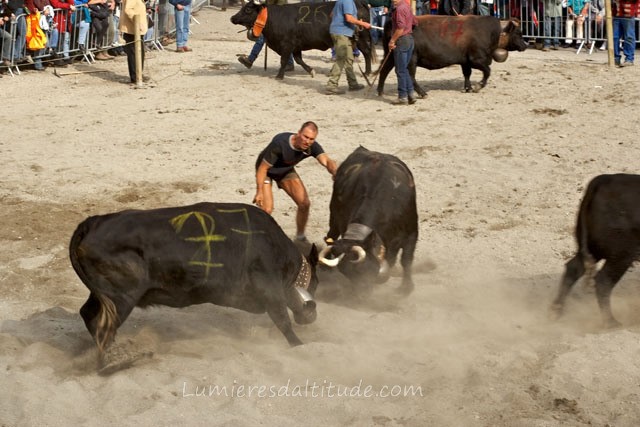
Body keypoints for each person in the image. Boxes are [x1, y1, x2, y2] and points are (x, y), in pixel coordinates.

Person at [253, 121, 337, 243]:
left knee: (304, 203)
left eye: (311, 139)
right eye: (305, 137)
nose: (307, 141)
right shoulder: (280, 144)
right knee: (267, 209)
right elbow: (262, 169)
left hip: (285, 170)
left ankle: (300, 237)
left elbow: (326, 161)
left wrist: (335, 172)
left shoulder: (311, 146)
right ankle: (258, 238)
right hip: (267, 171)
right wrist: (259, 191)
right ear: (298, 133)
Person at [325, 0, 370, 95]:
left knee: (349, 58)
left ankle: (353, 84)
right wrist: (362, 24)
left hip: (339, 32)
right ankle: (331, 85)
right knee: (341, 58)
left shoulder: (340, 1)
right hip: (341, 33)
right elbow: (349, 18)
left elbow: (332, 15)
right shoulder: (348, 1)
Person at [388, 0, 416, 105]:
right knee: (404, 69)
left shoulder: (399, 9)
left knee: (400, 70)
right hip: (410, 39)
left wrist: (392, 40)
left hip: (402, 40)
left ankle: (402, 97)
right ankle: (411, 94)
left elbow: (400, 28)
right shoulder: (406, 6)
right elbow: (414, 22)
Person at [118, 0, 147, 83]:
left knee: (140, 53)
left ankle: (139, 74)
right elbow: (128, 9)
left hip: (137, 29)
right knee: (133, 54)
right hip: (132, 29)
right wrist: (136, 22)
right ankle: (135, 76)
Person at [612, 0, 637, 66]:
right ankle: (615, 58)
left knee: (629, 37)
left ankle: (629, 59)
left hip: (628, 14)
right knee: (614, 37)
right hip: (616, 13)